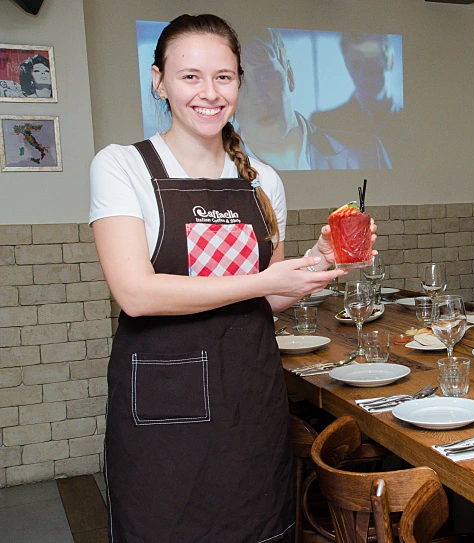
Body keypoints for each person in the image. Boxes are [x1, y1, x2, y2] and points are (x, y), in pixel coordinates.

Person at [89, 14, 367, 542]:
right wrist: (263, 281)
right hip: (162, 419)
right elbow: (136, 292)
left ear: (240, 81)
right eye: (190, 76)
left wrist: (318, 259)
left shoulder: (262, 179)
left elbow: (272, 300)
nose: (209, 93)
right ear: (159, 81)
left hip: (250, 404)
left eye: (224, 76)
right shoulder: (122, 166)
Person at [235, 28, 390, 170]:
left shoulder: (366, 154)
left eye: (265, 75)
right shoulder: (216, 165)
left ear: (290, 75)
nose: (257, 97)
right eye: (240, 83)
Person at [310, 33, 403, 164]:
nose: (364, 73)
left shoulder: (416, 123)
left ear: (390, 61)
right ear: (347, 67)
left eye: (372, 61)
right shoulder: (324, 127)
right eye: (356, 64)